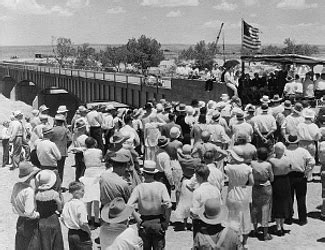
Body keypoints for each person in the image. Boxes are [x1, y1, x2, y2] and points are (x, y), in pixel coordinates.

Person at [127, 160, 172, 249]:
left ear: (143, 173)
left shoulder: (139, 188)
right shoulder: (161, 186)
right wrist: (166, 221)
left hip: (144, 222)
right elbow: (168, 205)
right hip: (158, 221)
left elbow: (129, 206)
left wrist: (138, 219)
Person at [224, 149, 254, 249]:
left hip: (232, 192)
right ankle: (244, 242)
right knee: (245, 216)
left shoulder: (229, 167)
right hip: (243, 192)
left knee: (232, 217)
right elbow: (252, 182)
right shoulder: (247, 168)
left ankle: (234, 240)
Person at [285, 135, 315, 225]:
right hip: (300, 176)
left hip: (288, 176)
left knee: (289, 198)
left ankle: (289, 218)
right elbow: (312, 161)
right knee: (301, 198)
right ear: (298, 142)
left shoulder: (285, 151)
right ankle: (302, 219)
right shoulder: (303, 151)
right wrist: (307, 170)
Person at [11, 162, 41, 250]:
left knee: (20, 246)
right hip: (29, 223)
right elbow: (29, 212)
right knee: (31, 245)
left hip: (20, 220)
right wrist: (38, 215)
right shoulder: (29, 191)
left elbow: (12, 203)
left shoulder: (16, 186)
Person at [190, 164, 222, 239]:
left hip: (201, 223)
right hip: (215, 221)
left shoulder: (198, 191)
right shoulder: (216, 189)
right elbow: (220, 205)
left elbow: (194, 212)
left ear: (199, 177)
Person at [35, 169, 64, 250]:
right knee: (56, 243)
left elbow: (34, 208)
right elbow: (60, 206)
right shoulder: (54, 194)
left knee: (44, 243)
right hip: (53, 218)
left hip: (41, 220)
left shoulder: (36, 195)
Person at [79, 137, 104, 229]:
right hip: (97, 172)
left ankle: (89, 217)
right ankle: (97, 219)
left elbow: (83, 161)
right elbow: (101, 159)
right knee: (97, 198)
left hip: (88, 172)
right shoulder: (99, 151)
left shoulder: (85, 152)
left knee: (88, 197)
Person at [269, 142, 292, 236]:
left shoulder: (271, 160)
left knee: (277, 203)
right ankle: (282, 225)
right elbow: (290, 169)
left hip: (276, 181)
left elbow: (270, 173)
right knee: (285, 203)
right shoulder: (287, 159)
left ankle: (278, 225)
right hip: (286, 181)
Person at [251, 147, 274, 241]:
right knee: (265, 208)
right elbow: (272, 178)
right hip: (266, 187)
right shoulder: (268, 165)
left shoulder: (253, 163)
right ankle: (265, 234)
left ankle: (255, 230)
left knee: (255, 207)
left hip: (256, 186)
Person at [61, 181, 92, 250]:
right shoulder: (80, 204)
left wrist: (69, 225)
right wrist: (89, 232)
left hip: (71, 233)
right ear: (76, 192)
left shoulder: (68, 203)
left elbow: (62, 218)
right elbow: (83, 223)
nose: (84, 192)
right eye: (82, 190)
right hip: (81, 234)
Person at [51, 113, 71, 182]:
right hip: (62, 152)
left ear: (55, 121)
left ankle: (53, 182)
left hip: (53, 151)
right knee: (60, 169)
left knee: (53, 168)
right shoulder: (66, 130)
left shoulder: (52, 130)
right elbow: (70, 140)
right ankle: (59, 184)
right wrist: (65, 146)